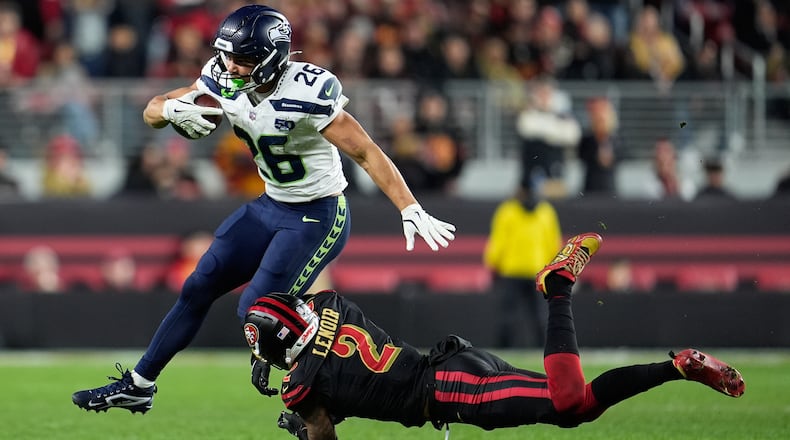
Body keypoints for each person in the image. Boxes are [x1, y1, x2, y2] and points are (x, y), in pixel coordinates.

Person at [72, 5, 455, 415]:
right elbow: (153, 110)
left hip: (317, 213)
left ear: (271, 59)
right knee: (199, 285)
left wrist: (409, 207)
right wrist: (168, 111)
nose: (230, 66)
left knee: (257, 313)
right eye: (227, 56)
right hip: (270, 205)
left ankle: (337, 394)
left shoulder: (307, 91)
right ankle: (139, 385)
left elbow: (365, 151)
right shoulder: (222, 75)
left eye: (242, 58)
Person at [243, 233, 745, 440]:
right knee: (577, 406)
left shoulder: (301, 386)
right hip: (455, 368)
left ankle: (558, 288)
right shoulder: (331, 304)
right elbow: (346, 372)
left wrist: (303, 426)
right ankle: (678, 366)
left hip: (452, 391)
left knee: (569, 403)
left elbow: (323, 428)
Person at [483, 181, 562, 348]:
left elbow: (498, 242)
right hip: (538, 270)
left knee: (508, 315)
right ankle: (545, 350)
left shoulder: (507, 211)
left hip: (512, 270)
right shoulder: (546, 211)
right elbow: (553, 243)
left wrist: (492, 262)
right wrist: (553, 267)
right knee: (540, 315)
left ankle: (504, 350)